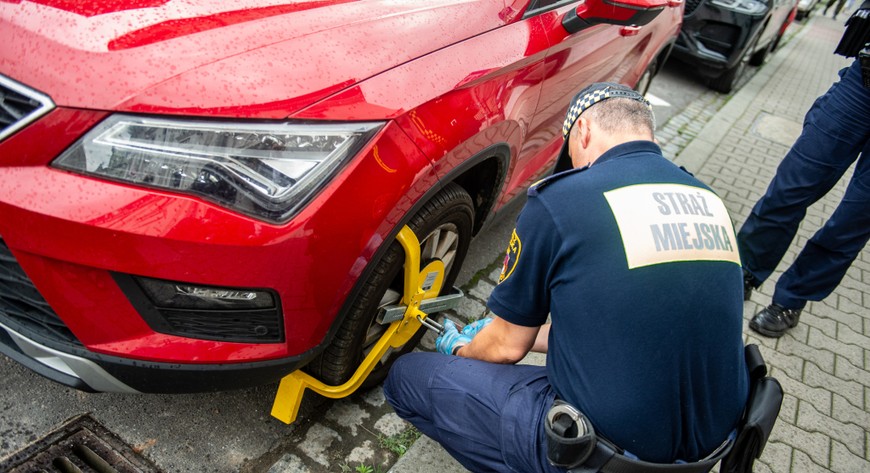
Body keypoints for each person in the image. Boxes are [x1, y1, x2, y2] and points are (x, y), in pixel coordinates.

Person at [384, 83, 749, 473]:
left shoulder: (561, 200)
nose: (573, 164)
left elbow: (506, 349)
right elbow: (629, 326)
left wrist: (461, 350)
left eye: (571, 152)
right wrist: (505, 329)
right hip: (708, 450)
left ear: (584, 131)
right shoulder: (708, 201)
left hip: (601, 454)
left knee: (406, 380)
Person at [738, 12, 870, 338]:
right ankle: (744, 271)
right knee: (792, 185)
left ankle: (791, 299)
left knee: (854, 218)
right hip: (863, 84)